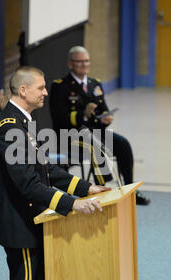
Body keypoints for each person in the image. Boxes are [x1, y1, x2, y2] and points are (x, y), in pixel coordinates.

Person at [0, 66, 110, 280]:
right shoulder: (10, 128)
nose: (46, 92)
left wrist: (86, 188)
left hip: (34, 220)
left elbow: (45, 168)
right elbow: (28, 184)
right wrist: (72, 204)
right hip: (20, 226)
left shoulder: (24, 122)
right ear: (23, 90)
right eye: (41, 87)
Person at [49, 45, 150, 205]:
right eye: (80, 62)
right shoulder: (60, 86)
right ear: (70, 64)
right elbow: (59, 118)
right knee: (96, 147)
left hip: (94, 132)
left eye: (87, 61)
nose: (84, 65)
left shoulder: (94, 84)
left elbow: (104, 111)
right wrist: (84, 114)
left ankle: (129, 189)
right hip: (70, 136)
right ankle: (103, 191)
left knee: (123, 144)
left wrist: (106, 119)